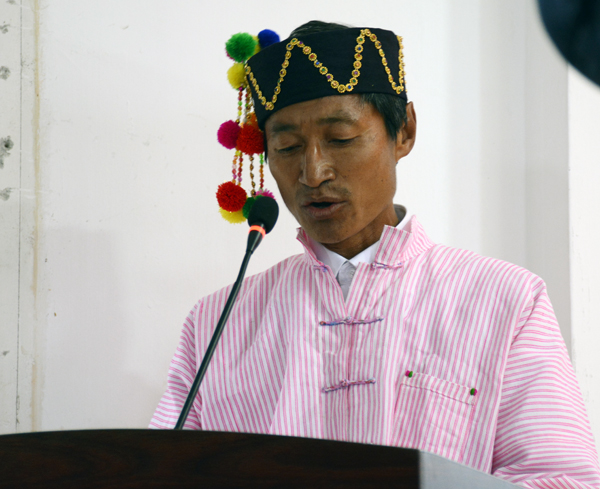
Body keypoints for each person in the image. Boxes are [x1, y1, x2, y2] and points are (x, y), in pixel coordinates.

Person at [151, 21, 600, 488]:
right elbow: (160, 474)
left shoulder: (506, 299)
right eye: (286, 147)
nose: (313, 173)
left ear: (404, 131)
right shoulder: (215, 324)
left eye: (341, 138)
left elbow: (561, 479)